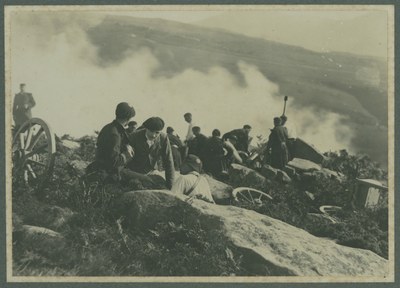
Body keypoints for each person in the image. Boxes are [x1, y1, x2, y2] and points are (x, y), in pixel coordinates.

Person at [89, 102, 136, 182]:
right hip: (109, 174)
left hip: (101, 169)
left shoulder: (109, 127)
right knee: (148, 180)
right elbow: (113, 162)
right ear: (128, 118)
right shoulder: (115, 134)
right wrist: (128, 154)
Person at [127, 117, 175, 189]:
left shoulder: (163, 138)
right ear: (146, 128)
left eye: (157, 132)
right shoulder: (134, 136)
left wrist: (170, 185)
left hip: (151, 172)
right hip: (135, 172)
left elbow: (169, 162)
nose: (153, 135)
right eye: (151, 131)